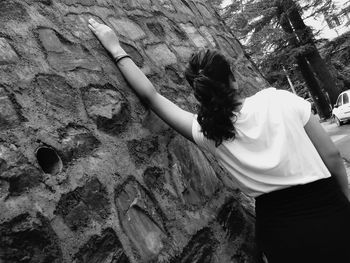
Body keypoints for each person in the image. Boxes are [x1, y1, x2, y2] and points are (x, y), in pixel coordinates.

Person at [88, 18, 350, 262]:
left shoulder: (208, 132)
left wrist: (115, 48)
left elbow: (152, 97)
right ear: (232, 79)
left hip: (280, 232)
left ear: (200, 93)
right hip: (330, 213)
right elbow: (332, 157)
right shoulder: (279, 99)